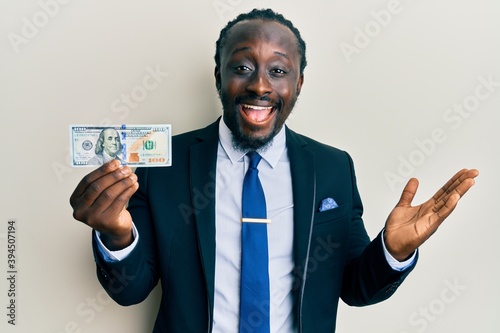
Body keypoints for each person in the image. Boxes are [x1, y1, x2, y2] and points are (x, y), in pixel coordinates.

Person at [69, 8, 478, 333]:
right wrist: (117, 235)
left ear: (298, 83)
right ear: (219, 77)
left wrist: (393, 251)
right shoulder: (166, 165)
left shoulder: (333, 167)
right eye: (242, 67)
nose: (260, 86)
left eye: (278, 71)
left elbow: (355, 287)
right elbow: (131, 290)